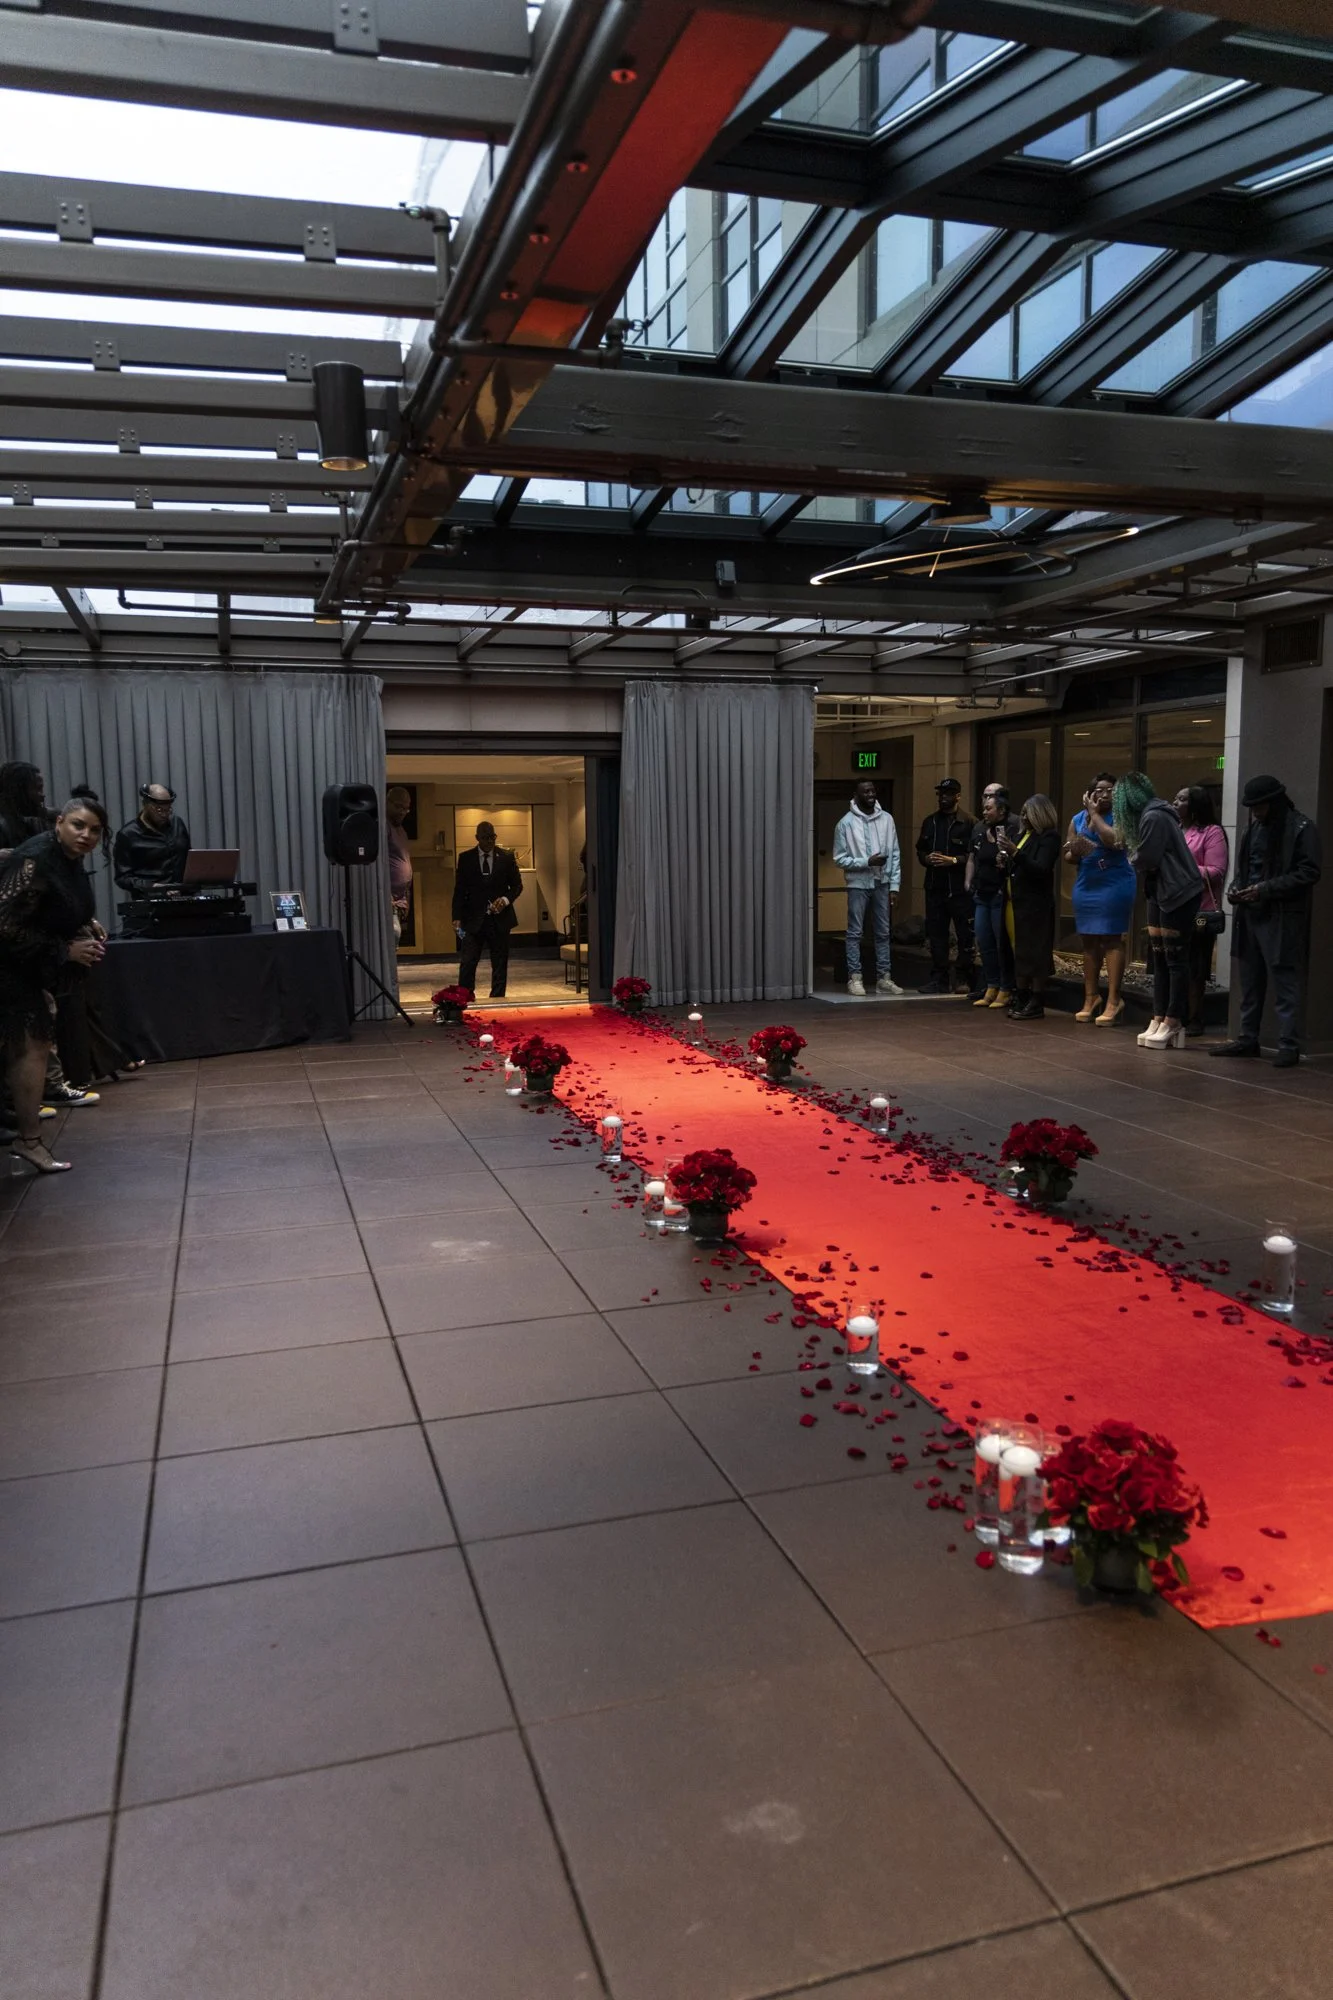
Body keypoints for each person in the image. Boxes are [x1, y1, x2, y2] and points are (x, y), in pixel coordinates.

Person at [0, 797, 109, 1173]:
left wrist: (83, 922)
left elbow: (54, 901)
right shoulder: (36, 859)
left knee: (32, 1047)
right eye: (78, 825)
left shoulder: (68, 858)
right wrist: (65, 949)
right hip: (7, 966)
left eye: (95, 830)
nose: (86, 835)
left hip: (22, 967)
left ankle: (28, 1139)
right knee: (31, 1048)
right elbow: (5, 925)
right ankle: (29, 1141)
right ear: (59, 822)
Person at [1213, 773, 1321, 1069]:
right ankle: (1248, 1038)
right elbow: (1245, 870)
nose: (1256, 812)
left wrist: (1265, 889)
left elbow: (1309, 872)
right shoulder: (1254, 829)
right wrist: (1236, 889)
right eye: (1252, 807)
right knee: (1250, 982)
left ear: (1274, 802)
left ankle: (1288, 1045)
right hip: (1251, 914)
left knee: (1285, 982)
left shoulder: (1301, 828)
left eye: (1260, 806)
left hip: (1281, 916)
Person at [1112, 772, 1202, 1052]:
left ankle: (1173, 1019)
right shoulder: (1152, 816)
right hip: (1162, 891)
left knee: (1174, 959)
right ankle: (1159, 1016)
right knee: (1160, 959)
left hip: (1178, 892)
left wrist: (1131, 856)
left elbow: (1147, 857)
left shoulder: (1154, 817)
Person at [1063, 771, 1136, 1027]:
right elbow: (1069, 855)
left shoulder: (1123, 815)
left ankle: (1114, 1000)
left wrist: (1094, 816)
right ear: (1089, 793)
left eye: (1110, 790)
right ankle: (1091, 997)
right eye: (1099, 790)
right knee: (1089, 941)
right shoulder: (1077, 819)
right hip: (1087, 882)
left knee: (1112, 938)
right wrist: (1077, 849)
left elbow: (1115, 841)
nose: (1104, 795)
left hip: (1114, 882)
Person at [833, 779, 903, 997]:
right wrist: (866, 861)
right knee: (855, 932)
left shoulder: (887, 819)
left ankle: (884, 978)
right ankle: (855, 978)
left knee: (883, 932)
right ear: (856, 795)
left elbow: (895, 853)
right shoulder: (845, 824)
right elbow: (839, 858)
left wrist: (894, 886)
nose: (871, 794)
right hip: (858, 884)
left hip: (882, 883)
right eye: (866, 792)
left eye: (873, 791)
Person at [998, 794, 1060, 1019]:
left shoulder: (1049, 837)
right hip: (1015, 901)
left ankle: (1037, 998)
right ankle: (1021, 993)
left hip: (1036, 905)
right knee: (1021, 951)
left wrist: (1015, 852)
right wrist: (1004, 861)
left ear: (1040, 814)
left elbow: (1040, 868)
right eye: (1023, 813)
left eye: (1028, 813)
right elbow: (1018, 865)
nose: (1023, 817)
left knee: (1036, 952)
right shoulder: (1022, 835)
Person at [1175, 786, 1229, 1039]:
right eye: (1175, 798)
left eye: (1182, 799)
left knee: (1196, 966)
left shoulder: (1211, 832)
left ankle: (1195, 1016)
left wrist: (1182, 867)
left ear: (1195, 805)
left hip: (1200, 908)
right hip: (1173, 905)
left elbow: (1216, 871)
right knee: (1175, 963)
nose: (1175, 803)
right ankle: (1174, 1013)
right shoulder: (1175, 828)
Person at [916, 778, 976, 995]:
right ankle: (939, 979)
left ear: (958, 796)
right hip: (935, 888)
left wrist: (953, 860)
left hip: (959, 890)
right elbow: (920, 850)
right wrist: (927, 858)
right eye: (941, 794)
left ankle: (962, 977)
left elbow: (975, 856)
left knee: (965, 935)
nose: (943, 798)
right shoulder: (930, 822)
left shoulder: (969, 823)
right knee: (937, 936)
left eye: (948, 794)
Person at [453, 821, 523, 999]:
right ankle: (465, 998)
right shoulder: (466, 858)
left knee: (500, 963)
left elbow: (517, 886)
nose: (489, 841)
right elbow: (459, 889)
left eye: (492, 837)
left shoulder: (506, 857)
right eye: (485, 838)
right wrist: (456, 917)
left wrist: (505, 900)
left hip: (500, 919)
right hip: (473, 919)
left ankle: (497, 1000)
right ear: (477, 838)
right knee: (468, 962)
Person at [966, 783, 1019, 1009]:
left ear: (1001, 810)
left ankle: (1006, 988)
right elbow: (972, 857)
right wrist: (968, 881)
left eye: (989, 808)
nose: (985, 812)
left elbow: (1018, 857)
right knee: (985, 941)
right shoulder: (979, 830)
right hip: (982, 893)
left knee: (1002, 943)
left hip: (1001, 894)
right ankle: (992, 985)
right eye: (984, 807)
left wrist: (1006, 857)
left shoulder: (1013, 827)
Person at [113, 782, 191, 898]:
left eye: (168, 809)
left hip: (185, 896)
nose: (165, 814)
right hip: (151, 899)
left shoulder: (177, 823)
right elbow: (123, 877)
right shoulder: (128, 834)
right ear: (145, 805)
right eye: (159, 810)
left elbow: (190, 858)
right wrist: (152, 886)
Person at [385, 786, 414, 944]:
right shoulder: (383, 827)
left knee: (395, 938)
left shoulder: (401, 830)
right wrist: (386, 895)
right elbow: (379, 864)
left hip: (400, 898)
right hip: (387, 898)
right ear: (387, 802)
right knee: (394, 935)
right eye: (399, 807)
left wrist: (406, 897)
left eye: (406, 809)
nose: (402, 812)